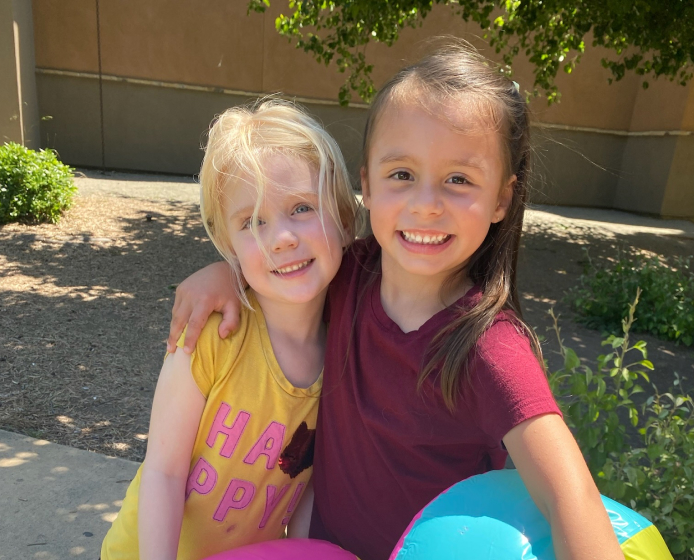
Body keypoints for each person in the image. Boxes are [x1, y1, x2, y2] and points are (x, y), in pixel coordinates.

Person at [166, 43, 625, 560]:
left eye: (459, 180)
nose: (425, 204)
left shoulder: (489, 348)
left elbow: (572, 496)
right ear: (366, 184)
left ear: (502, 198)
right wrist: (223, 275)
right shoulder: (347, 276)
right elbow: (280, 260)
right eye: (402, 174)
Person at [101, 100, 359, 560]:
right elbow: (163, 472)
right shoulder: (209, 334)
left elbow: (307, 490)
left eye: (301, 207)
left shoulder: (347, 352)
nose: (281, 237)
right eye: (252, 221)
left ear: (342, 216)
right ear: (228, 246)